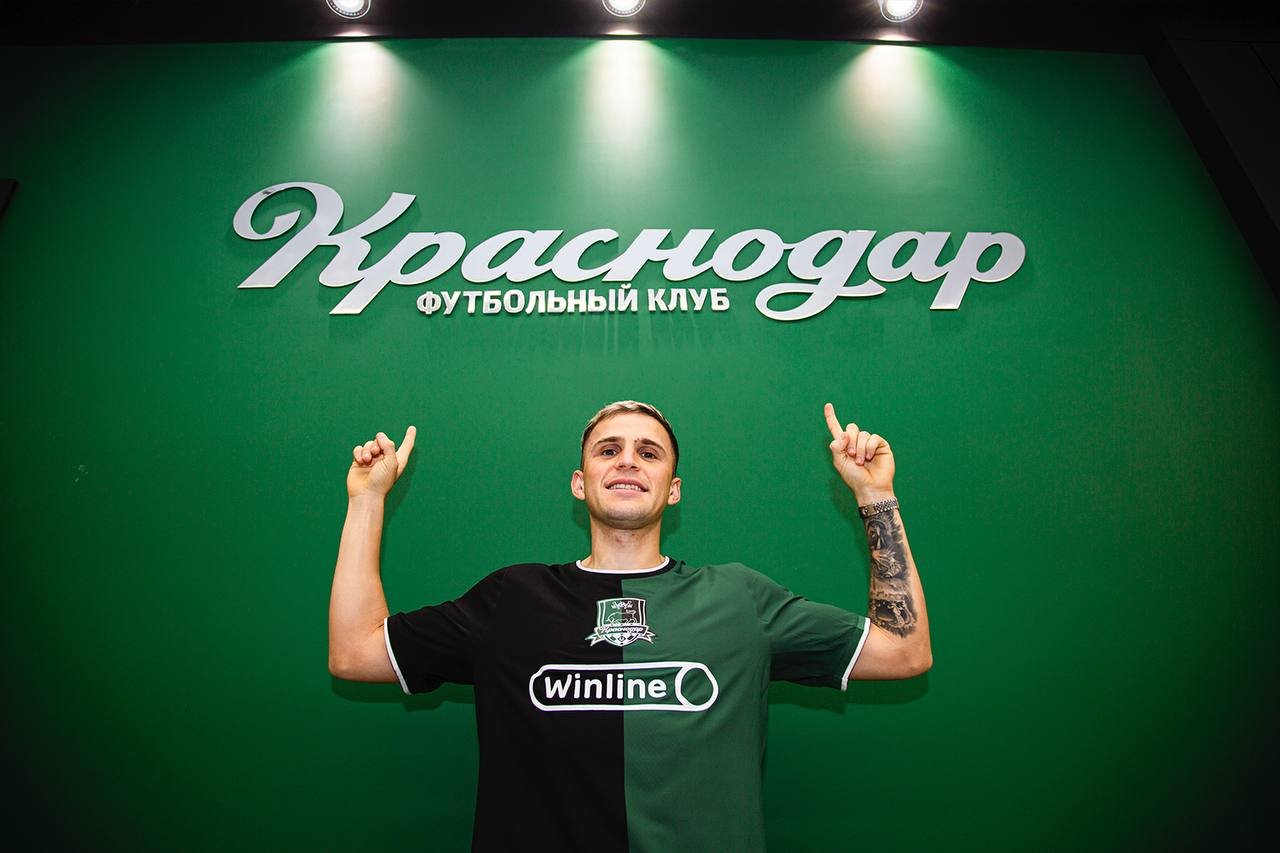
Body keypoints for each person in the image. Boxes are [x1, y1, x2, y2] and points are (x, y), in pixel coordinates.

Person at [328, 400, 931, 852]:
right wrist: (367, 500)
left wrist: (875, 495)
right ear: (579, 482)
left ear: (673, 490)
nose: (627, 461)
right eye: (608, 449)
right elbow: (355, 653)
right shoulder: (512, 599)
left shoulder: (739, 598)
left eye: (648, 452)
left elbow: (903, 652)